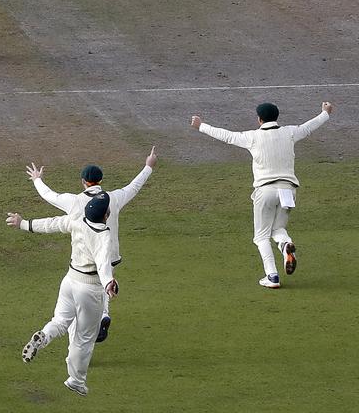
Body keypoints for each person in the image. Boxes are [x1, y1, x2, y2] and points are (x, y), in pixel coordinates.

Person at [191, 102, 333, 288]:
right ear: (276, 117)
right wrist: (325, 113)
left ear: (259, 119)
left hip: (265, 190)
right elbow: (308, 128)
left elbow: (227, 136)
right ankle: (285, 246)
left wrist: (201, 125)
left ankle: (272, 276)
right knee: (278, 230)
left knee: (261, 237)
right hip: (288, 190)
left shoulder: (253, 136)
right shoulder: (290, 132)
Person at [26, 145, 157, 341]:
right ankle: (103, 315)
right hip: (109, 252)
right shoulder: (113, 198)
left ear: (83, 182)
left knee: (82, 291)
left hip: (84, 259)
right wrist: (148, 166)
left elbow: (49, 196)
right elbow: (134, 187)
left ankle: (81, 329)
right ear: (101, 181)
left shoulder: (74, 201)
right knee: (105, 282)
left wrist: (37, 179)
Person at [7, 193, 119, 397]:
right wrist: (109, 282)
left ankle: (44, 336)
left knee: (59, 321)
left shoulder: (77, 221)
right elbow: (103, 262)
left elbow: (52, 224)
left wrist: (23, 223)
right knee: (84, 338)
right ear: (105, 216)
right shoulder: (104, 234)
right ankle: (76, 381)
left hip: (69, 281)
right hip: (90, 289)